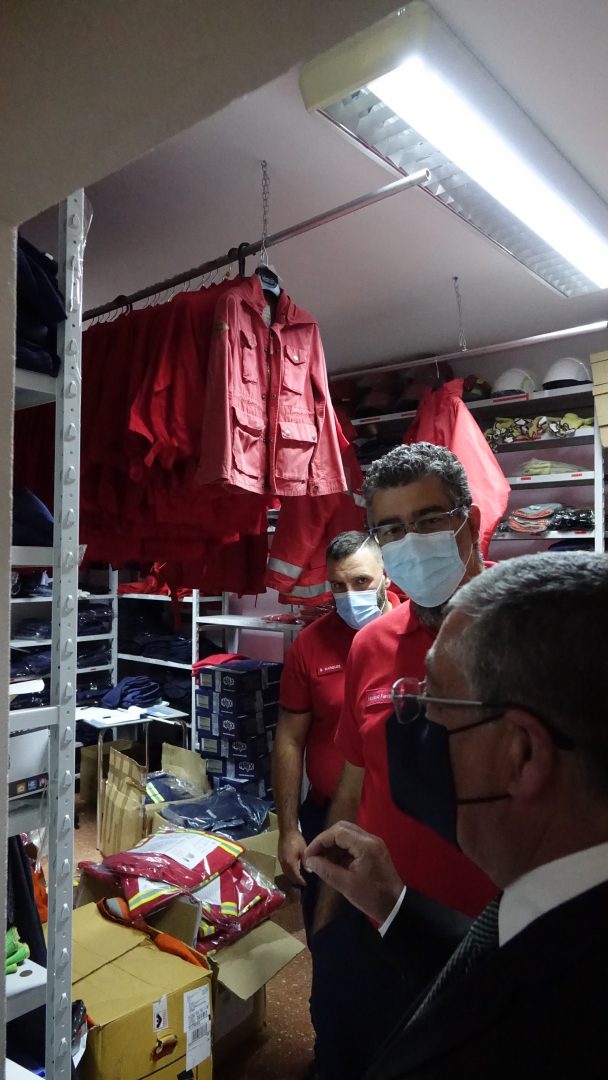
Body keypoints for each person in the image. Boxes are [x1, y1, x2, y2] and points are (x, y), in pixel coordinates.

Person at [306, 551, 608, 1079]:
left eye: (437, 701)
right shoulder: (550, 900)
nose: (411, 721)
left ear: (522, 754)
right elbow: (497, 968)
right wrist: (394, 905)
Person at [310, 443, 496, 1080]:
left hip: (487, 938)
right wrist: (329, 913)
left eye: (428, 520)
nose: (410, 541)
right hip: (376, 923)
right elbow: (355, 779)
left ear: (468, 522)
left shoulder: (526, 630)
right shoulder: (371, 644)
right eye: (390, 528)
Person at [273, 529, 398, 934]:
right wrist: (288, 829)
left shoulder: (412, 634)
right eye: (338, 586)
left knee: (396, 938)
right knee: (328, 935)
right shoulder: (311, 644)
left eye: (361, 581)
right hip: (326, 816)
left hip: (396, 817)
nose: (350, 595)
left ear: (386, 575)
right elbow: (290, 737)